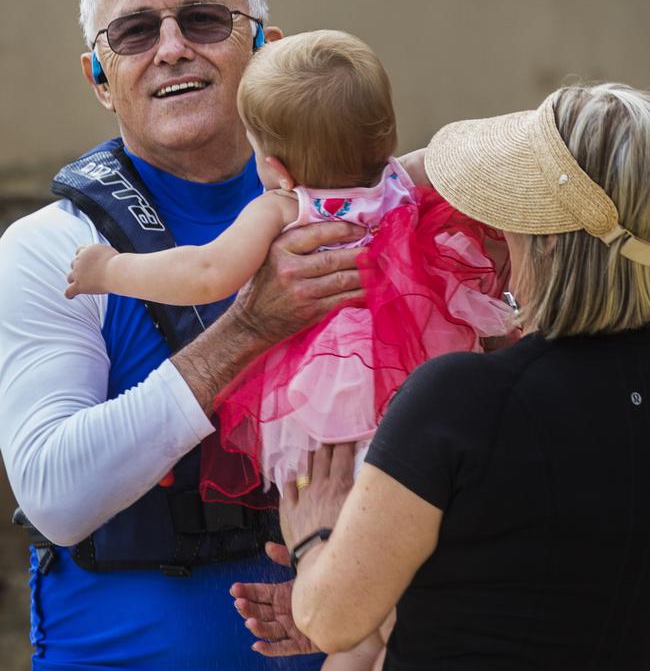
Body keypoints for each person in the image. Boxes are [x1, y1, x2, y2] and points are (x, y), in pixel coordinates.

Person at [0, 0, 367, 671]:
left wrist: (359, 591)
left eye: (203, 18)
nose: (172, 46)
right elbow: (55, 493)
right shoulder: (55, 248)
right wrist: (249, 329)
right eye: (134, 31)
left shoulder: (354, 212)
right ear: (99, 77)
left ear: (266, 45)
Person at [237, 83, 650, 670]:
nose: (493, 234)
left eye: (506, 217)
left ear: (548, 245)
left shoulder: (463, 401)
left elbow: (330, 618)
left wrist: (316, 543)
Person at [65, 29, 513, 510]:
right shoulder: (403, 178)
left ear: (276, 168)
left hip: (334, 392)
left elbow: (205, 273)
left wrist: (110, 270)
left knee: (331, 499)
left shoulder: (284, 206)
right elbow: (477, 156)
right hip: (428, 360)